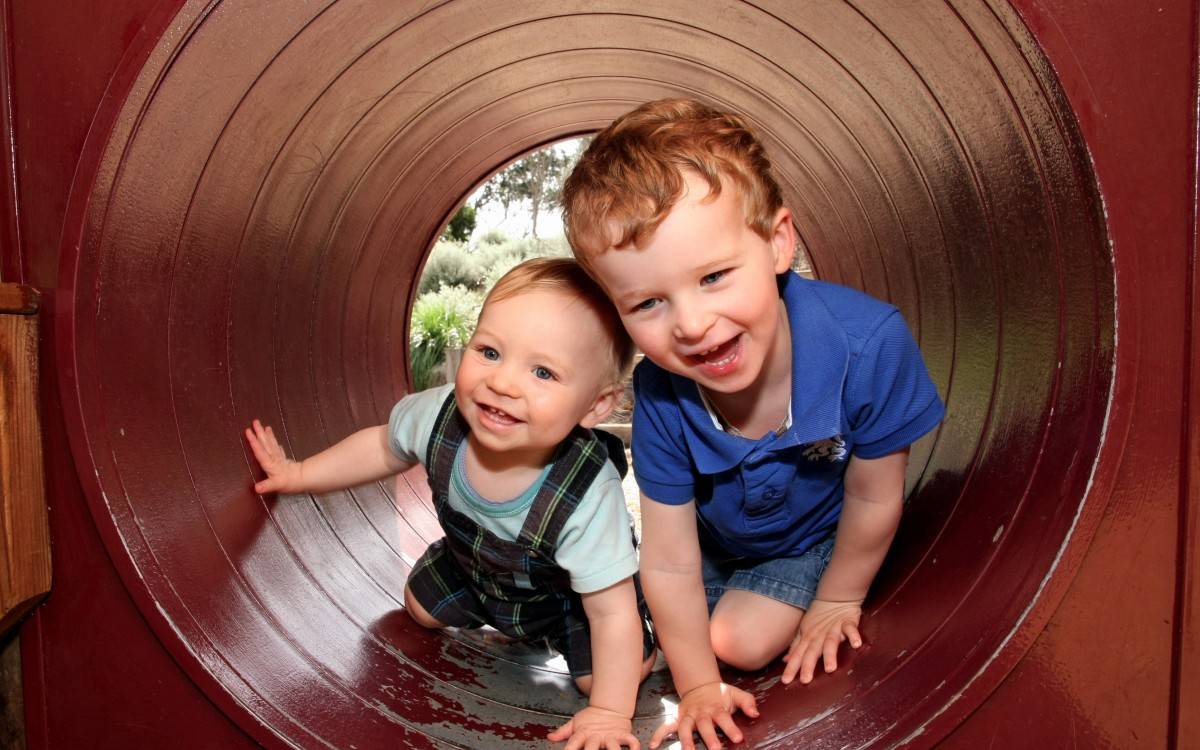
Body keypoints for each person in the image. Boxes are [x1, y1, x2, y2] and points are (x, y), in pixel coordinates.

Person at [561, 98, 945, 750]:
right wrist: (698, 689)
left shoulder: (867, 344)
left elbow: (875, 493)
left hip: (812, 537)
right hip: (717, 543)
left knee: (735, 639)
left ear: (777, 243)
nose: (690, 324)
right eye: (648, 302)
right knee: (615, 639)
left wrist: (837, 599)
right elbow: (672, 559)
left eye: (713, 276)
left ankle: (782, 597)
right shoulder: (662, 392)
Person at [245, 257, 657, 750]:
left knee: (605, 677)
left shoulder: (588, 495)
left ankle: (643, 641)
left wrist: (610, 713)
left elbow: (609, 613)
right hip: (474, 569)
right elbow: (381, 447)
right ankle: (491, 610)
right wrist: (299, 474)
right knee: (418, 608)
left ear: (594, 406)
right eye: (489, 351)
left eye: (543, 372)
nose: (503, 383)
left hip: (570, 600)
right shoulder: (440, 415)